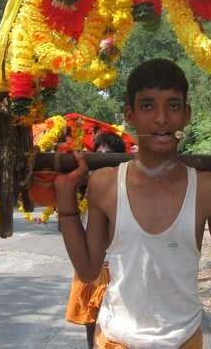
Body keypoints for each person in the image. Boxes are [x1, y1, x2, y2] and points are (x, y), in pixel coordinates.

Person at [55, 58, 211, 349]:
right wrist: (66, 199)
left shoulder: (207, 189)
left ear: (186, 114)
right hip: (116, 340)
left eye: (173, 105)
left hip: (183, 341)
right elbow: (89, 271)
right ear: (131, 115)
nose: (161, 118)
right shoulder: (105, 185)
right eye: (148, 105)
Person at [65, 131, 127, 349]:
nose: (101, 160)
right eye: (97, 155)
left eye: (107, 156)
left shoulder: (128, 187)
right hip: (93, 268)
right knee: (92, 328)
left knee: (118, 330)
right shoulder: (86, 187)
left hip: (120, 268)